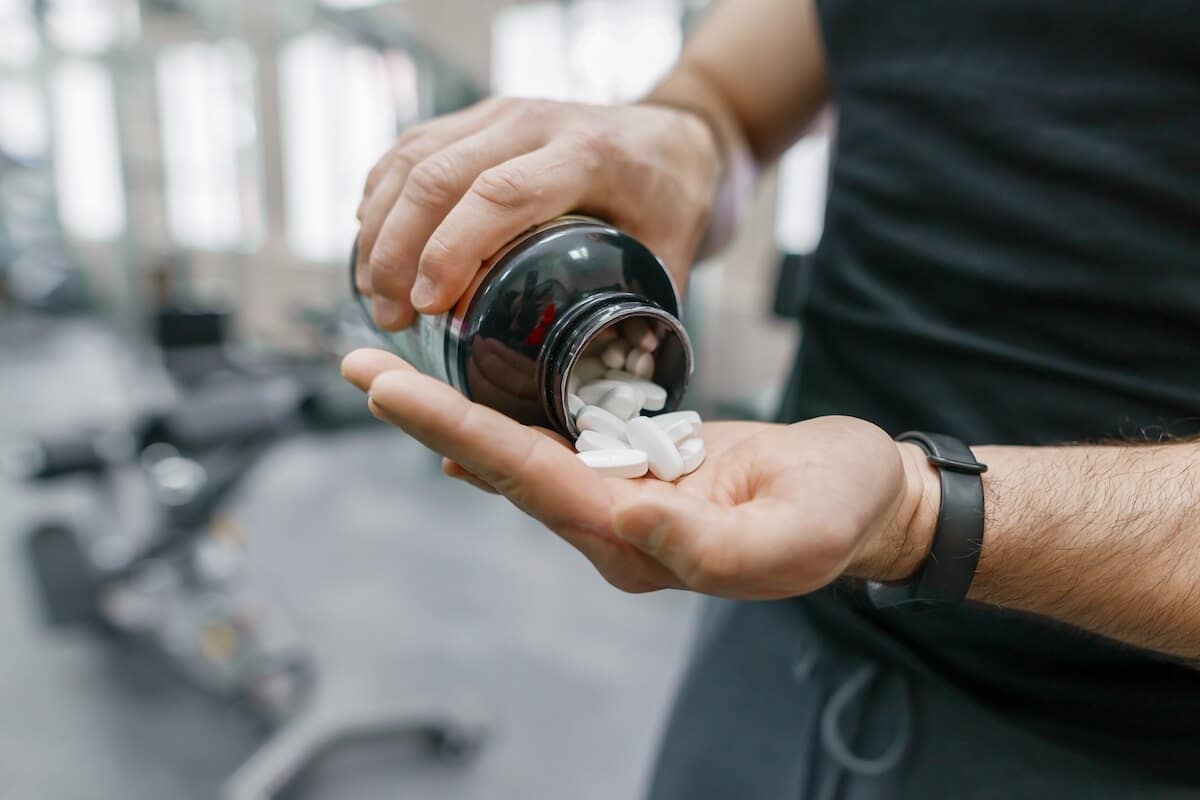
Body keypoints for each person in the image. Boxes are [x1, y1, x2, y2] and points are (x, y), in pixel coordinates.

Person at [341, 0, 1200, 796]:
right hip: (780, 632)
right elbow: (727, 97)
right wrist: (681, 141)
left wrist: (917, 510)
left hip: (1102, 740)